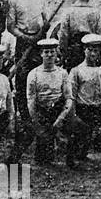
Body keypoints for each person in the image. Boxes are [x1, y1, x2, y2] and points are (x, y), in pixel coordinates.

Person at [61, 33, 101, 168]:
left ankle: (84, 154)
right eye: (90, 50)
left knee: (93, 135)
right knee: (78, 133)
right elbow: (71, 95)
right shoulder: (76, 71)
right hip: (82, 108)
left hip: (97, 108)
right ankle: (72, 159)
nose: (93, 54)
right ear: (84, 50)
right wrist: (73, 114)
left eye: (96, 50)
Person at [27, 38, 71, 166]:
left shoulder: (62, 73)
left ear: (56, 53)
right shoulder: (34, 74)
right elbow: (31, 99)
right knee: (43, 148)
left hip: (58, 111)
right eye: (46, 52)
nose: (50, 55)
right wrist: (36, 121)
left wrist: (61, 118)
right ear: (41, 54)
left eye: (52, 51)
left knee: (76, 129)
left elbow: (68, 98)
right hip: (42, 112)